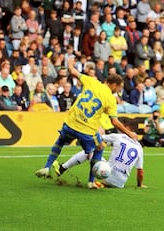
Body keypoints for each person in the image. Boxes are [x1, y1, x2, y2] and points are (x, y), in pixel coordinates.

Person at [35, 58, 138, 188]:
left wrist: (70, 63)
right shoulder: (110, 99)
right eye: (118, 88)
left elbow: (73, 71)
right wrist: (129, 133)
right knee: (100, 147)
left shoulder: (91, 81)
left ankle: (47, 167)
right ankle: (91, 181)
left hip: (71, 122)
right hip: (87, 129)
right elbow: (114, 121)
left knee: (61, 141)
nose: (117, 91)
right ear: (113, 84)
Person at [52, 118, 147, 189]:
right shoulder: (139, 147)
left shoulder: (119, 137)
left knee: (90, 152)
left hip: (107, 174)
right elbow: (140, 172)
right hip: (120, 183)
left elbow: (98, 138)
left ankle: (62, 168)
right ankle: (103, 183)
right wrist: (140, 185)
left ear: (127, 128)